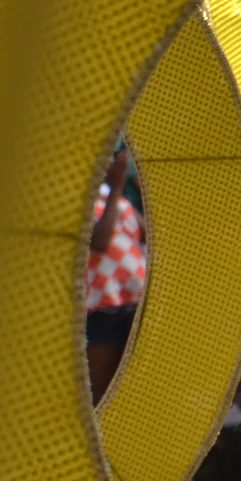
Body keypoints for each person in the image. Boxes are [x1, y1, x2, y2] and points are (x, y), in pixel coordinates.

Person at [83, 148, 146, 401]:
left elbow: (150, 232)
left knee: (134, 391)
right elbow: (99, 241)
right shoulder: (79, 202)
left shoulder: (115, 198)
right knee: (105, 395)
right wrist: (117, 188)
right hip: (104, 312)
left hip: (137, 307)